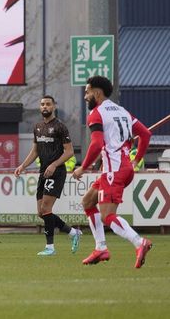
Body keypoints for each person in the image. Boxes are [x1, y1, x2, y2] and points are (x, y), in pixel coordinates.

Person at [73, 75, 153, 268]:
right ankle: (100, 247)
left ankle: (139, 242)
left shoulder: (97, 113)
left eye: (87, 91)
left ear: (97, 92)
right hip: (123, 168)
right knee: (87, 202)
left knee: (107, 216)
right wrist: (136, 160)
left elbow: (96, 143)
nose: (85, 96)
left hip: (113, 170)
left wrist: (83, 167)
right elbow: (145, 134)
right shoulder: (123, 111)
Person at [14, 95, 82, 256]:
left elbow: (70, 152)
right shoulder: (37, 127)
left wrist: (54, 164)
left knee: (46, 208)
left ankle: (50, 247)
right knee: (41, 212)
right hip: (43, 171)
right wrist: (23, 165)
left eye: (48, 104)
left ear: (54, 107)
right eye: (42, 104)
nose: (45, 107)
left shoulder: (60, 127)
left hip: (56, 171)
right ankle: (73, 233)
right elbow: (35, 150)